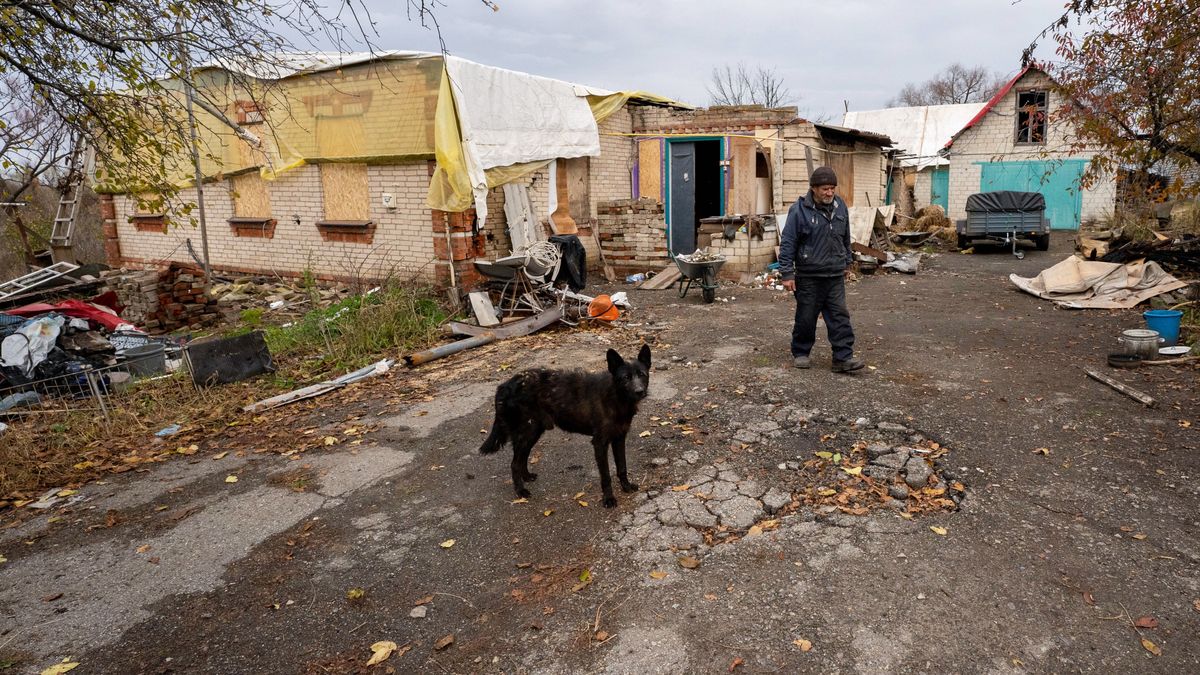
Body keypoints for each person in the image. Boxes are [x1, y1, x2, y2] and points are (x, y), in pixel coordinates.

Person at [778, 166, 865, 373]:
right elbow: (788, 242)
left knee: (840, 317)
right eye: (825, 189)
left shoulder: (840, 206)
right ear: (814, 189)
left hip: (834, 275)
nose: (829, 193)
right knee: (806, 317)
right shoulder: (799, 210)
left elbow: (845, 236)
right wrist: (787, 273)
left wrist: (846, 262)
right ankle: (801, 353)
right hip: (808, 276)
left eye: (832, 188)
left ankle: (842, 358)